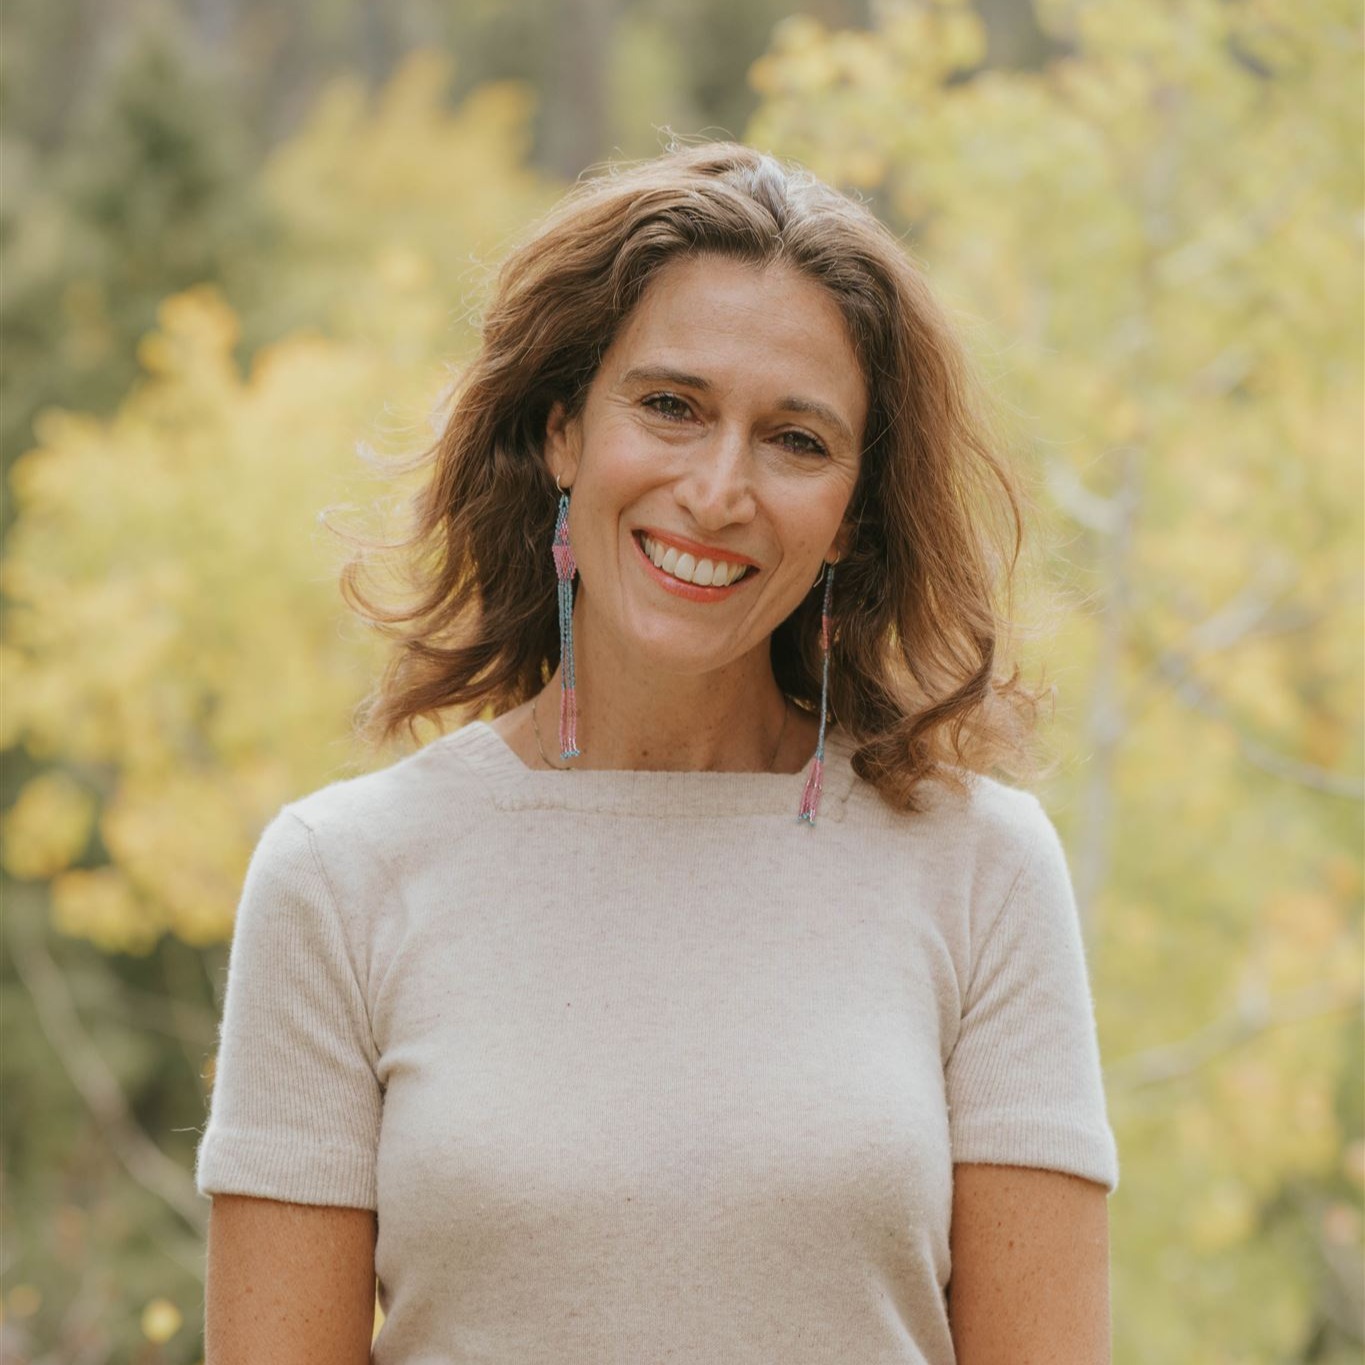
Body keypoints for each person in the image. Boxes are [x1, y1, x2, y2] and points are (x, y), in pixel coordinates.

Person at [196, 141, 1119, 1363]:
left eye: (797, 440)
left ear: (852, 517)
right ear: (563, 431)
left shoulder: (981, 872)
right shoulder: (340, 877)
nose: (719, 490)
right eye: (671, 407)